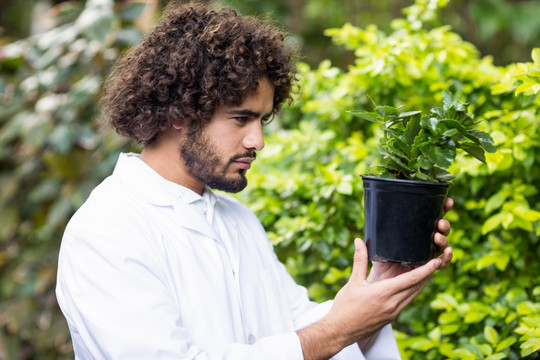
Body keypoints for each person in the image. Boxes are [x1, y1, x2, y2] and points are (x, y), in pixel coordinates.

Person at [55, 3, 453, 359]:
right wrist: (339, 329)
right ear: (179, 111)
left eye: (262, 120)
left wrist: (383, 285)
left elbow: (301, 331)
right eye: (240, 118)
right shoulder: (106, 231)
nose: (257, 141)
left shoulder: (237, 219)